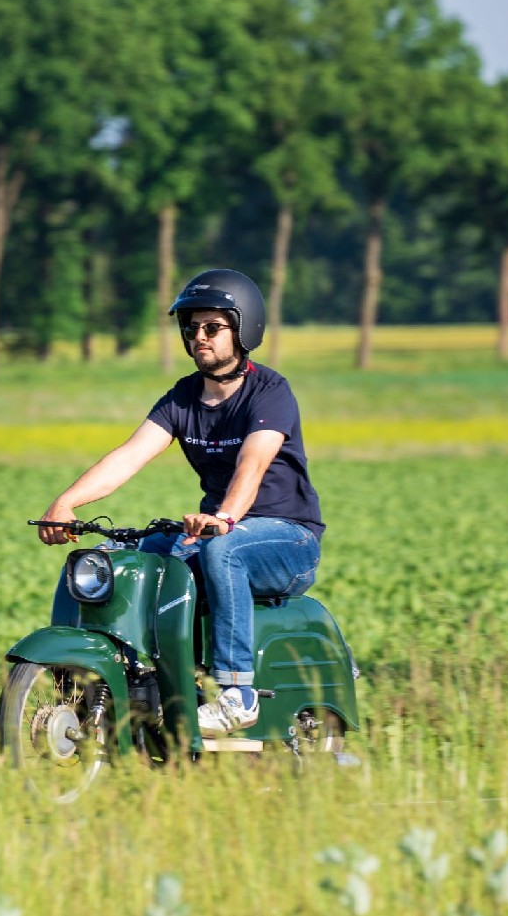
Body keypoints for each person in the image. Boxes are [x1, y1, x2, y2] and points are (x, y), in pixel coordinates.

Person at [37, 268, 324, 736]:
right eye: (191, 328)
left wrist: (224, 518)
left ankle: (238, 693)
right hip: (219, 530)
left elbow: (251, 466)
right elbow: (130, 456)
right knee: (121, 559)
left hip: (287, 539)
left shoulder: (271, 392)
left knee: (220, 549)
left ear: (243, 327)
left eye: (212, 327)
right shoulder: (183, 398)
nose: (199, 337)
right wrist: (66, 503)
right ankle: (121, 683)